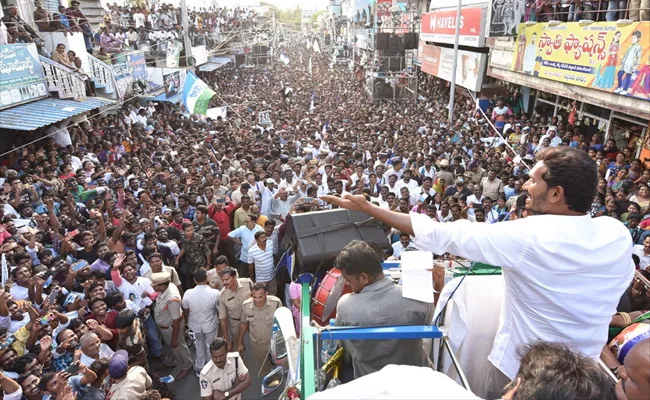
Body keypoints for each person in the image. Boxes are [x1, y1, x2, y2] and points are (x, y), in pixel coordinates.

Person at [322, 147, 634, 396]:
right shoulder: (617, 233)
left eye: (535, 180)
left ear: (557, 194)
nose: (526, 186)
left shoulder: (527, 236)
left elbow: (444, 235)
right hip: (585, 379)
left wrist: (368, 208)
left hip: (521, 373)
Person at [332, 240, 434, 379]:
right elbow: (432, 322)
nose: (347, 284)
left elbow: (342, 345)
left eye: (348, 280)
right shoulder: (417, 299)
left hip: (368, 383)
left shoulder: (346, 306)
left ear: (364, 278)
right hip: (416, 380)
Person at [151, 271, 192, 380]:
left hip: (171, 328)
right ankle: (172, 361)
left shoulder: (172, 299)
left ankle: (186, 365)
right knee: (175, 347)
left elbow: (176, 321)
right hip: (166, 327)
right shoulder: (167, 288)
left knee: (178, 346)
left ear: (163, 285)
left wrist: (174, 339)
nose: (153, 287)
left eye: (155, 285)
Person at [182, 268, 221, 376]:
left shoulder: (188, 293)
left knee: (199, 344)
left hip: (195, 325)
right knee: (210, 345)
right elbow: (219, 309)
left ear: (194, 280)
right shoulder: (215, 293)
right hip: (210, 324)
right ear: (207, 278)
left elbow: (185, 309)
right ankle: (210, 366)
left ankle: (200, 366)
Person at [237, 283, 282, 376]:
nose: (257, 300)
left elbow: (282, 322)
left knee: (280, 362)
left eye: (260, 297)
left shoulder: (276, 303)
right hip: (258, 345)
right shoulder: (246, 306)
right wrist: (240, 343)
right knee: (264, 366)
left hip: (275, 342)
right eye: (254, 297)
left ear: (266, 294)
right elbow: (243, 324)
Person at [247, 231, 276, 295]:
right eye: (261, 238)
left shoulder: (270, 244)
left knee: (273, 295)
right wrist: (252, 279)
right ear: (257, 240)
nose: (264, 239)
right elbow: (250, 266)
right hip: (261, 279)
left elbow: (274, 256)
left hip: (272, 277)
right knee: (261, 296)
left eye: (265, 237)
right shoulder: (252, 251)